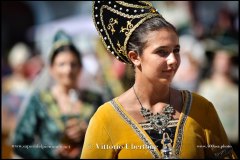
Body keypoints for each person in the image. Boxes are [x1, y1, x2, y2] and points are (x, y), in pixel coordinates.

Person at [81, 1, 237, 159]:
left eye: (176, 50)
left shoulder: (201, 109)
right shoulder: (106, 119)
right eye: (161, 52)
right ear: (135, 57)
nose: (173, 60)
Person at [12, 30, 103, 159]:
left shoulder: (94, 100)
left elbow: (109, 139)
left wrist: (89, 132)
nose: (68, 70)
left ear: (80, 67)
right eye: (62, 64)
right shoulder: (40, 101)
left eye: (73, 64)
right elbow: (19, 143)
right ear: (51, 69)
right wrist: (52, 152)